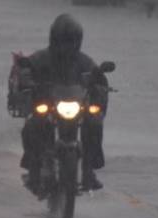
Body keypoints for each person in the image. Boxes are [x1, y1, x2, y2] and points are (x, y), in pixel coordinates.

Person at [19, 13, 108, 193]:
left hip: (76, 106)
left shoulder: (84, 61)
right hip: (49, 106)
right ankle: (34, 169)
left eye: (71, 40)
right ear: (54, 39)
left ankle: (89, 170)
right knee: (32, 125)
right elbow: (25, 70)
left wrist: (99, 84)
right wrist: (27, 79)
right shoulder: (40, 58)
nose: (67, 46)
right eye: (64, 40)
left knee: (94, 123)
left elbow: (99, 78)